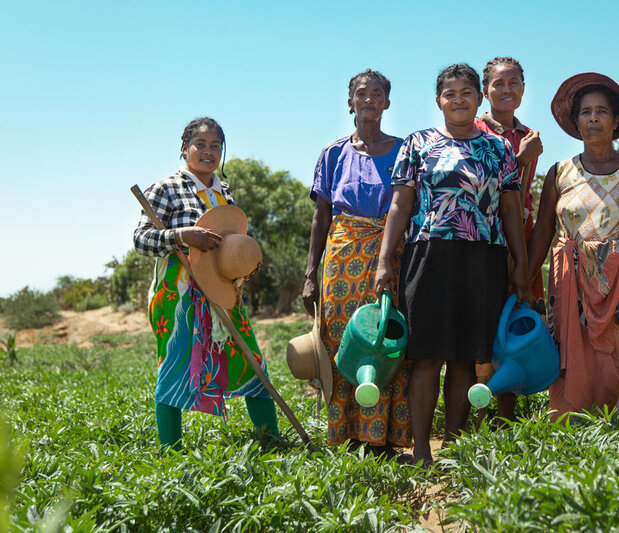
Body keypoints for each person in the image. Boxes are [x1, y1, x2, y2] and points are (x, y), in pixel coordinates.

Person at [375, 64, 529, 467]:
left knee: (464, 357)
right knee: (426, 356)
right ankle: (422, 450)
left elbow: (511, 210)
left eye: (466, 92)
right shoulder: (418, 143)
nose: (458, 99)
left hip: (484, 257)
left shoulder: (499, 149)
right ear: (438, 100)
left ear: (479, 98)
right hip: (428, 255)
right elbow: (400, 204)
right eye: (449, 93)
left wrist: (521, 264)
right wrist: (384, 260)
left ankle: (454, 447)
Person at [526, 73, 619, 421]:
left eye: (601, 111)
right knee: (569, 351)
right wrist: (522, 281)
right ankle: (568, 422)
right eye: (586, 112)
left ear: (616, 120)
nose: (593, 118)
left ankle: (617, 422)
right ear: (576, 122)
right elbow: (544, 231)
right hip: (569, 280)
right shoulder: (560, 173)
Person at [133, 118, 279, 450]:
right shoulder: (166, 188)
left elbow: (229, 245)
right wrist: (182, 236)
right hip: (179, 292)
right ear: (184, 148)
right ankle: (172, 452)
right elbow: (140, 240)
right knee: (174, 367)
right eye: (200, 144)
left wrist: (243, 263)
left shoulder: (223, 192)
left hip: (224, 291)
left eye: (216, 146)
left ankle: (272, 441)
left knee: (253, 364)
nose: (208, 152)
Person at [302, 69, 412, 459]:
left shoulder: (405, 150)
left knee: (385, 339)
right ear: (350, 102)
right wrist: (310, 273)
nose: (368, 99)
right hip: (341, 257)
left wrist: (389, 258)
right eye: (361, 93)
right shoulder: (333, 153)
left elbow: (408, 206)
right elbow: (321, 216)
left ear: (387, 103)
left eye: (377, 93)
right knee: (341, 340)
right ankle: (344, 434)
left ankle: (380, 438)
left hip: (389, 257)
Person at [473, 56, 545, 423]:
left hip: (522, 230)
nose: (506, 90)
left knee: (516, 312)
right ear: (485, 90)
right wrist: (520, 157)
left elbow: (523, 195)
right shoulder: (474, 129)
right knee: (484, 317)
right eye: (498, 84)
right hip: (484, 233)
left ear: (523, 88)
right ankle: (480, 409)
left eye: (513, 82)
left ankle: (507, 410)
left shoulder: (529, 133)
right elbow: (486, 187)